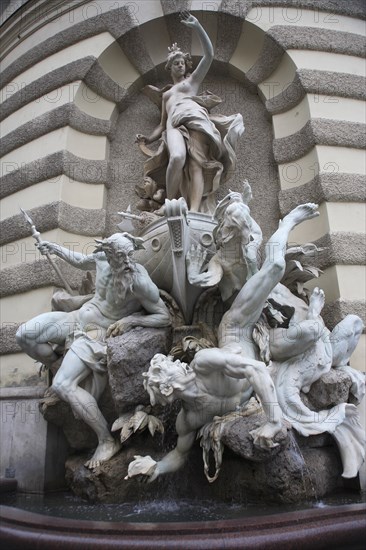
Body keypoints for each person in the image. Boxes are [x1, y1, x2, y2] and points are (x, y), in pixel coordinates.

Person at [125, 203, 320, 482]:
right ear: (168, 388)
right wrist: (157, 467)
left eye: (167, 365)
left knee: (275, 265)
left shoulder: (203, 364)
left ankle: (288, 221)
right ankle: (310, 315)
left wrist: (274, 420)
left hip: (236, 327)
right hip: (259, 348)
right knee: (310, 332)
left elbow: (255, 370)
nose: (175, 364)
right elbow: (179, 455)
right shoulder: (187, 420)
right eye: (166, 371)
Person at [16, 233, 170, 468]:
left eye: (130, 254)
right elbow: (79, 261)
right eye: (121, 256)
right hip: (78, 317)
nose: (128, 261)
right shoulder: (101, 259)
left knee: (62, 384)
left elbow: (164, 316)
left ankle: (106, 440)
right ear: (108, 254)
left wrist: (131, 321)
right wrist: (54, 248)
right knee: (24, 335)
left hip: (95, 334)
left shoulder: (138, 281)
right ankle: (58, 361)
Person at [136, 11, 244, 213]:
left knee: (197, 166)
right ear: (170, 67)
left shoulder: (191, 82)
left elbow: (209, 55)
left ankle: (194, 211)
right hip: (174, 127)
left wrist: (198, 27)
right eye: (176, 63)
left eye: (182, 63)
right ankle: (170, 203)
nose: (180, 65)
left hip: (196, 121)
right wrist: (148, 139)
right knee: (177, 158)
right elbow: (162, 124)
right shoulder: (167, 96)